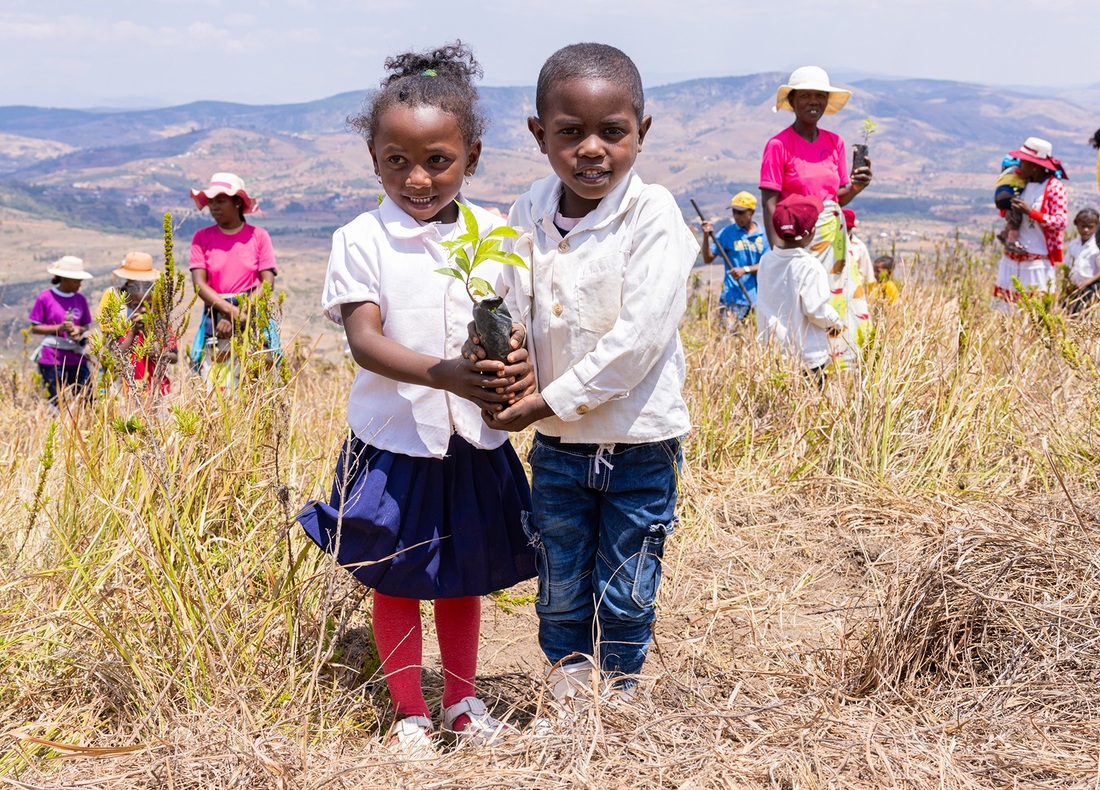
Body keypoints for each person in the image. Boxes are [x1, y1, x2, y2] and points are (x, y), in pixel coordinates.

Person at [295, 42, 536, 757]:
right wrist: (443, 373)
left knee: (461, 580)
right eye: (397, 160)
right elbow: (365, 341)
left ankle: (461, 702)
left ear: (473, 155)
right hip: (393, 444)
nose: (418, 177)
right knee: (396, 580)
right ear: (374, 158)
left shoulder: (495, 237)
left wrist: (510, 369)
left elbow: (509, 329)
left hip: (469, 441)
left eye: (438, 159)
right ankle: (409, 713)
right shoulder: (361, 240)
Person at [477, 43, 698, 705]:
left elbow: (638, 342)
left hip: (640, 443)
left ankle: (621, 693)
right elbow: (507, 300)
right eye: (571, 133)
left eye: (614, 132)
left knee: (628, 585)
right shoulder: (529, 211)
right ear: (540, 134)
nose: (593, 149)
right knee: (561, 578)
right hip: (560, 452)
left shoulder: (654, 216)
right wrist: (503, 357)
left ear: (642, 132)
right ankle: (572, 697)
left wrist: (542, 401)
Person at [759, 66, 872, 369]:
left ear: (826, 102)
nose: (813, 102)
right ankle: (802, 368)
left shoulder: (834, 143)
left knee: (833, 299)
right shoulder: (778, 145)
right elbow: (770, 202)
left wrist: (857, 188)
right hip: (797, 239)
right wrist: (779, 252)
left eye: (819, 96)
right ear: (793, 102)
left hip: (832, 239)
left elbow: (835, 197)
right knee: (803, 304)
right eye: (805, 95)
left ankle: (838, 362)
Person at [188, 172, 278, 389]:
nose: (214, 207)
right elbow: (199, 285)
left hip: (252, 314)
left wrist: (241, 313)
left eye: (220, 201)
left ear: (237, 202)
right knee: (217, 387)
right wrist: (231, 312)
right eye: (211, 202)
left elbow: (267, 283)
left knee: (254, 385)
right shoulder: (202, 237)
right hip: (216, 317)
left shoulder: (258, 236)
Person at [755, 195, 845, 389]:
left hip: (774, 353)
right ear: (811, 231)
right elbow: (815, 310)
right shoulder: (810, 266)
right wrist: (835, 322)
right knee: (811, 406)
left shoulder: (766, 261)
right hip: (808, 357)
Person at [991, 137, 1068, 313]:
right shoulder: (1019, 182)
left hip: (1037, 260)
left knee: (1035, 312)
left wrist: (1031, 212)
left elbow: (1060, 222)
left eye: (1024, 162)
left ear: (1035, 165)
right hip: (1013, 257)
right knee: (1007, 312)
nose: (1019, 166)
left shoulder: (1055, 187)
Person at [28, 255, 94, 405]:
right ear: (64, 279)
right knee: (56, 400)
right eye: (76, 281)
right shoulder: (45, 298)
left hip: (75, 356)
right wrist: (58, 328)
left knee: (86, 396)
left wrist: (78, 329)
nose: (80, 284)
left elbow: (85, 325)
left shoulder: (80, 299)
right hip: (52, 357)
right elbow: (35, 328)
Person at [109, 252, 178, 395]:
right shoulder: (121, 322)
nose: (142, 309)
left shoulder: (161, 325)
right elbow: (114, 355)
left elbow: (174, 356)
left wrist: (159, 351)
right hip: (129, 389)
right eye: (136, 304)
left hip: (157, 388)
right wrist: (133, 333)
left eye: (147, 304)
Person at [699, 191, 769, 326]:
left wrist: (745, 270)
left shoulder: (764, 236)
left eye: (741, 213)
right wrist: (706, 237)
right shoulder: (727, 233)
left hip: (758, 298)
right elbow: (708, 258)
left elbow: (767, 264)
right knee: (727, 338)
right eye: (734, 212)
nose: (737, 217)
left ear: (751, 212)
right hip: (732, 297)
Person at [1067, 209, 1100, 314]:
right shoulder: (1073, 244)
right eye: (1083, 226)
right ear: (1076, 224)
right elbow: (1067, 266)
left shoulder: (1096, 247)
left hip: (1091, 289)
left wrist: (1087, 282)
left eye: (1090, 227)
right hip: (1074, 289)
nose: (1086, 230)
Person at [842, 208, 875, 287]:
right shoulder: (830, 246)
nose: (845, 231)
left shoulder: (859, 247)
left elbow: (868, 275)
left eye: (848, 229)